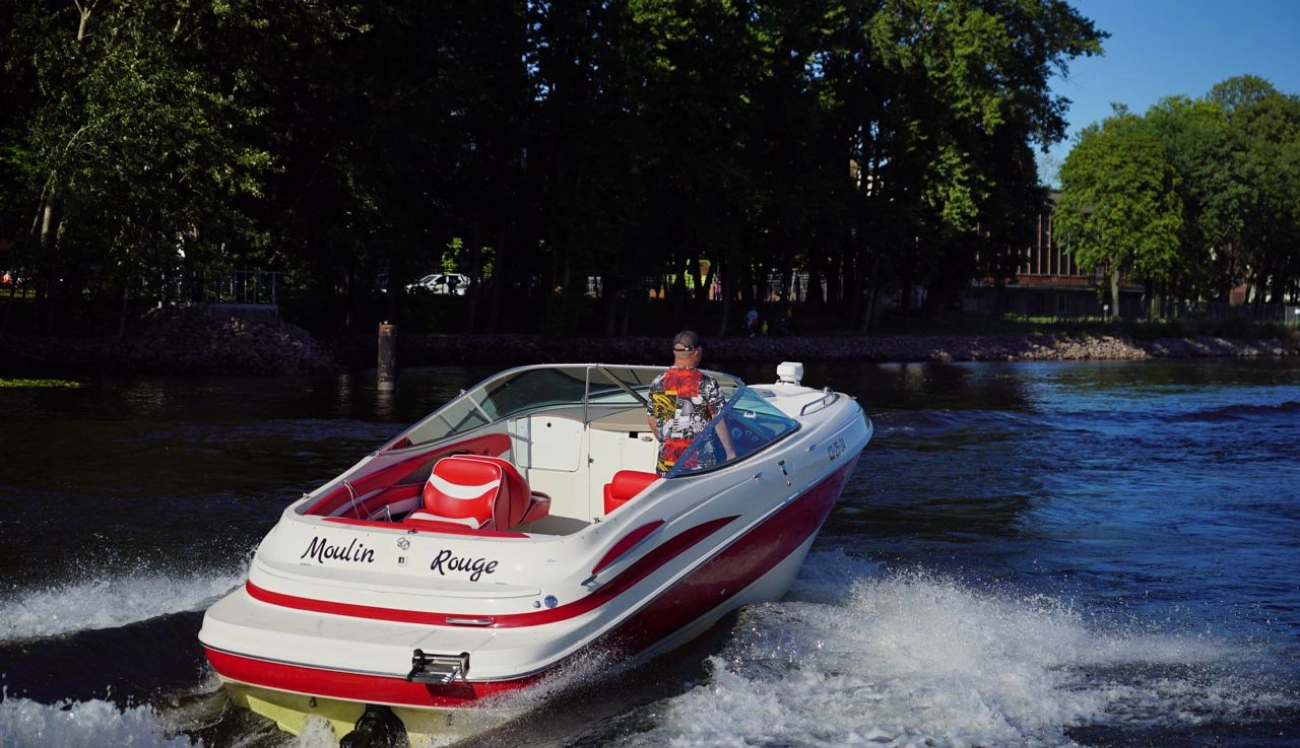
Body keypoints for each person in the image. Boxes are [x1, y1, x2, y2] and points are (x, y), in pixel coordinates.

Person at [645, 330, 737, 475]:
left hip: (667, 464)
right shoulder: (706, 383)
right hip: (698, 467)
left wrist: (667, 441)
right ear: (697, 353)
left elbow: (651, 419)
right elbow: (719, 420)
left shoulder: (658, 382)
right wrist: (731, 453)